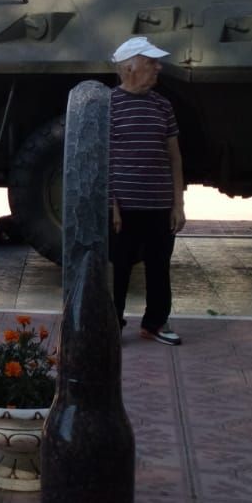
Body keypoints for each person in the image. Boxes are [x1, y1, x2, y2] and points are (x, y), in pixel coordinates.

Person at [108, 36, 186, 347]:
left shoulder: (162, 106)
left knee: (159, 266)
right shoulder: (109, 105)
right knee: (118, 268)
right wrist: (110, 202)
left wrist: (177, 203)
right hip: (123, 207)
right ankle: (112, 323)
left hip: (159, 204)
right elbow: (103, 156)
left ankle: (155, 322)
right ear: (129, 67)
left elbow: (174, 156)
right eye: (151, 62)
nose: (158, 67)